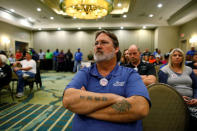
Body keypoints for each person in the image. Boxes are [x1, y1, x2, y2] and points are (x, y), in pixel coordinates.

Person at [63, 30, 150, 131]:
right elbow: (68, 100)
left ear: (116, 48)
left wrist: (85, 108)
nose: (98, 46)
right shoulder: (85, 73)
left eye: (104, 42)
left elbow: (140, 108)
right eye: (96, 43)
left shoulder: (130, 74)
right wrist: (114, 98)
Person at [158, 48, 197, 130]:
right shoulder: (164, 70)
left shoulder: (189, 70)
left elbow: (196, 87)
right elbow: (163, 90)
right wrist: (179, 98)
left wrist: (196, 98)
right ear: (170, 57)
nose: (177, 57)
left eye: (180, 55)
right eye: (174, 55)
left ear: (183, 58)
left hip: (191, 101)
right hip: (173, 101)